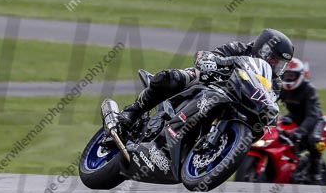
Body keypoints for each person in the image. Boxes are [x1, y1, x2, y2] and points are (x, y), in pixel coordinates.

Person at [101, 28, 295, 134]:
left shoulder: (275, 84)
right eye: (273, 59)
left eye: (280, 64)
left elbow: (269, 103)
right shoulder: (239, 48)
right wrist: (213, 61)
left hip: (235, 105)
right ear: (262, 49)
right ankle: (131, 114)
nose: (275, 66)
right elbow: (206, 55)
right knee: (173, 78)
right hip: (209, 83)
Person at [279, 57, 326, 183]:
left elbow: (312, 115)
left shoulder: (308, 89)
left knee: (314, 140)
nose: (288, 78)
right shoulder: (281, 88)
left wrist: (301, 131)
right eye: (286, 74)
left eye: (292, 75)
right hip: (294, 117)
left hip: (314, 121)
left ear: (299, 75)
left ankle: (316, 173)